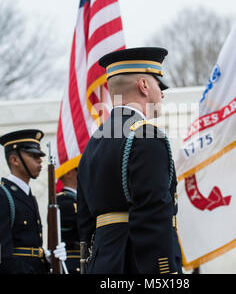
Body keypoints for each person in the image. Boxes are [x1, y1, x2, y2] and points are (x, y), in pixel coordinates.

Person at [77, 47, 182, 274]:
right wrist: (165, 272)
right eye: (158, 85)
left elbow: (85, 224)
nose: (162, 94)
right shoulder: (147, 136)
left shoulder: (93, 144)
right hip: (137, 266)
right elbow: (153, 215)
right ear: (144, 85)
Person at [0, 129, 66, 274]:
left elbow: (30, 247)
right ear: (14, 160)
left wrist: (47, 259)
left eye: (40, 156)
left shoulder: (27, 196)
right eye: (33, 156)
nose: (40, 160)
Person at [57, 168, 80, 274]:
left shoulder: (78, 199)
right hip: (72, 260)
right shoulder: (64, 200)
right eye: (78, 169)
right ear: (68, 173)